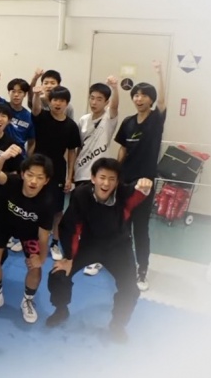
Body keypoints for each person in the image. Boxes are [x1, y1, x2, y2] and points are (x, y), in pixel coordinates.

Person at [47, 158, 152, 342]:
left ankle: (117, 324)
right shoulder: (81, 194)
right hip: (89, 244)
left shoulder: (123, 193)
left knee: (130, 289)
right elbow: (70, 226)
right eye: (102, 177)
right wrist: (68, 258)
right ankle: (61, 309)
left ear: (117, 182)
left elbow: (137, 192)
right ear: (93, 178)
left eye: (112, 179)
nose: (106, 183)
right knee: (58, 274)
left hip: (118, 246)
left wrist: (144, 186)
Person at [0, 147, 54, 323]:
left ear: (46, 181)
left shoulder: (47, 202)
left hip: (29, 232)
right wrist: (4, 156)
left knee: (35, 267)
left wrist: (41, 259)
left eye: (40, 177)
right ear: (23, 174)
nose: (33, 181)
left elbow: (44, 236)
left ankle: (27, 301)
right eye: (30, 175)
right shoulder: (13, 181)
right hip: (4, 223)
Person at [114, 60, 167, 291]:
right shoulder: (127, 122)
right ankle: (122, 264)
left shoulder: (156, 119)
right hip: (125, 180)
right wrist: (115, 173)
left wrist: (160, 73)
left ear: (150, 99)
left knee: (140, 228)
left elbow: (163, 102)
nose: (139, 98)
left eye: (144, 95)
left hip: (145, 182)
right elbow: (123, 148)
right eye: (136, 95)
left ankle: (142, 269)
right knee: (122, 224)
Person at [74, 76, 120, 276]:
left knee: (99, 217)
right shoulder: (83, 120)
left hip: (100, 176)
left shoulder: (109, 118)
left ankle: (98, 258)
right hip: (81, 172)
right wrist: (72, 172)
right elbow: (78, 147)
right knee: (82, 216)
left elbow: (116, 106)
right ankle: (84, 252)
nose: (94, 102)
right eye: (92, 98)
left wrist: (115, 87)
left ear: (106, 101)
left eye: (99, 99)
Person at [31, 86, 81, 261]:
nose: (58, 103)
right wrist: (36, 94)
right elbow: (35, 108)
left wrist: (69, 176)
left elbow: (72, 152)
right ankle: (31, 239)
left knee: (57, 209)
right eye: (54, 100)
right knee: (33, 203)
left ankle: (54, 242)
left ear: (67, 104)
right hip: (37, 167)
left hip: (58, 169)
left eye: (62, 100)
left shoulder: (71, 126)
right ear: (49, 101)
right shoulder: (42, 117)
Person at [0, 73, 35, 155]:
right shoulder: (2, 105)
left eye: (20, 92)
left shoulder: (29, 116)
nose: (16, 95)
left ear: (25, 94)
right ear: (9, 93)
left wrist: (28, 158)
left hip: (18, 154)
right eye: (13, 91)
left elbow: (32, 141)